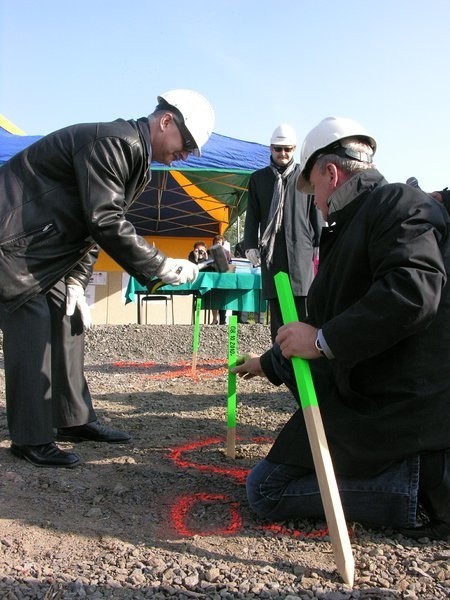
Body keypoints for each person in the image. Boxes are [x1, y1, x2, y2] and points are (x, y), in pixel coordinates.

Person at [233, 116, 450, 540]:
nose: (314, 203)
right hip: (379, 394)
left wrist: (320, 340)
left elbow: (412, 290)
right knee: (268, 482)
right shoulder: (359, 221)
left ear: (331, 173)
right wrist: (267, 363)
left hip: (401, 404)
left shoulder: (394, 203)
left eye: (313, 190)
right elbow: (334, 319)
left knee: (267, 490)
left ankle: (421, 491)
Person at [0, 88, 215, 468]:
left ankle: (72, 418)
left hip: (42, 246)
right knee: (31, 321)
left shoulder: (132, 156)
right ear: (166, 122)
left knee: (70, 318)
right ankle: (31, 437)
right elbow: (105, 222)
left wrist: (77, 282)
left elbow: (89, 224)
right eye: (187, 145)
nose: (186, 155)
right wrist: (161, 266)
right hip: (14, 241)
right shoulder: (115, 143)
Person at [243, 124, 323, 342]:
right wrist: (249, 244)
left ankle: (307, 365)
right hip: (272, 253)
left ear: (294, 149)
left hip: (301, 252)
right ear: (270, 149)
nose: (283, 153)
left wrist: (320, 243)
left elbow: (315, 210)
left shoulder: (305, 176)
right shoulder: (258, 179)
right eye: (278, 149)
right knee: (277, 311)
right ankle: (280, 362)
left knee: (303, 310)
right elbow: (253, 214)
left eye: (287, 148)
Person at [209, 234, 231, 325]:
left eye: (219, 243)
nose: (218, 244)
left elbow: (229, 263)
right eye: (216, 243)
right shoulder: (209, 251)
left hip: (223, 278)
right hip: (213, 277)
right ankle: (214, 319)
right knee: (214, 299)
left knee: (223, 299)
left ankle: (223, 320)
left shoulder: (227, 252)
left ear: (222, 244)